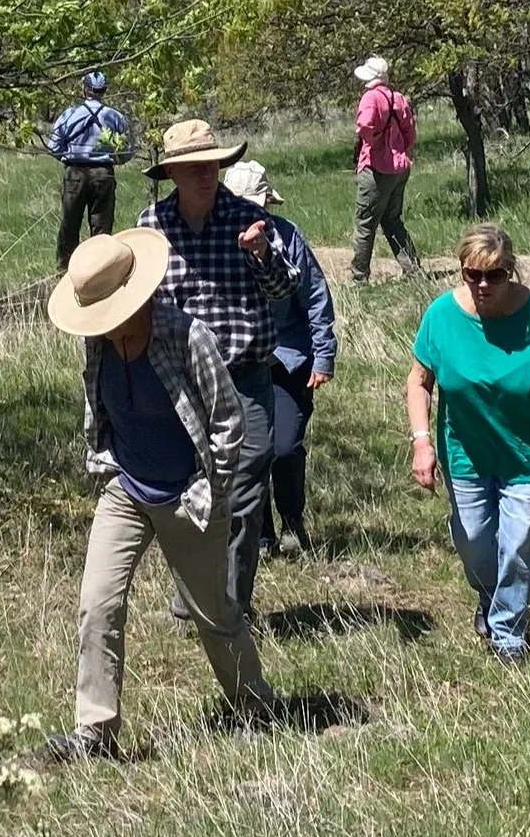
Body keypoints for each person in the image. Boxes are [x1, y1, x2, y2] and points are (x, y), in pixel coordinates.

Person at [45, 229, 273, 759]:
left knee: (213, 614)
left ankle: (257, 707)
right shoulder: (97, 340)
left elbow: (227, 422)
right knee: (97, 605)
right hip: (125, 486)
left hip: (188, 495)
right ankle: (94, 736)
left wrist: (210, 490)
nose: (101, 324)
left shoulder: (186, 337)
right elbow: (99, 405)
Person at [404, 222, 530, 664]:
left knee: (518, 545)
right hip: (467, 452)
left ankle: (509, 634)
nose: (482, 284)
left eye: (494, 275)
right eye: (472, 274)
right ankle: (491, 600)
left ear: (510, 271)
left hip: (528, 454)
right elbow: (419, 382)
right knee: (473, 539)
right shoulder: (441, 316)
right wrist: (422, 442)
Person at [138, 118, 294, 622]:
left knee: (247, 485)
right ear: (173, 175)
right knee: (187, 490)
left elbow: (283, 289)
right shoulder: (151, 229)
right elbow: (136, 305)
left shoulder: (249, 219)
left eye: (212, 165)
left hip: (245, 375)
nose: (205, 174)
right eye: (192, 168)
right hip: (181, 382)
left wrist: (261, 254)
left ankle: (230, 607)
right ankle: (193, 594)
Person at [223, 158, 336, 553]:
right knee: (250, 452)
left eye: (256, 203)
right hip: (238, 363)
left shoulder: (287, 238)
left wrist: (323, 355)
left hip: (287, 360)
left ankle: (293, 521)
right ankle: (261, 533)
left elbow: (316, 298)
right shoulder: (218, 244)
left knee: (284, 446)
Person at [45, 69, 133, 266]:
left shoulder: (69, 114)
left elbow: (53, 147)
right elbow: (126, 152)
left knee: (70, 225)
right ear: (105, 90)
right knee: (101, 229)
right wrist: (112, 159)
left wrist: (69, 158)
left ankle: (65, 272)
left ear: (84, 90)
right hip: (104, 174)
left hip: (75, 172)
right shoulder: (116, 117)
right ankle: (99, 270)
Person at [350, 55, 422, 281]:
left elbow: (364, 125)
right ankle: (413, 270)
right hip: (400, 168)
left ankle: (359, 277)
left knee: (365, 223)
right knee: (392, 220)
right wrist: (400, 151)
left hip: (376, 169)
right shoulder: (398, 98)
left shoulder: (370, 97)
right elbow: (410, 134)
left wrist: (372, 141)